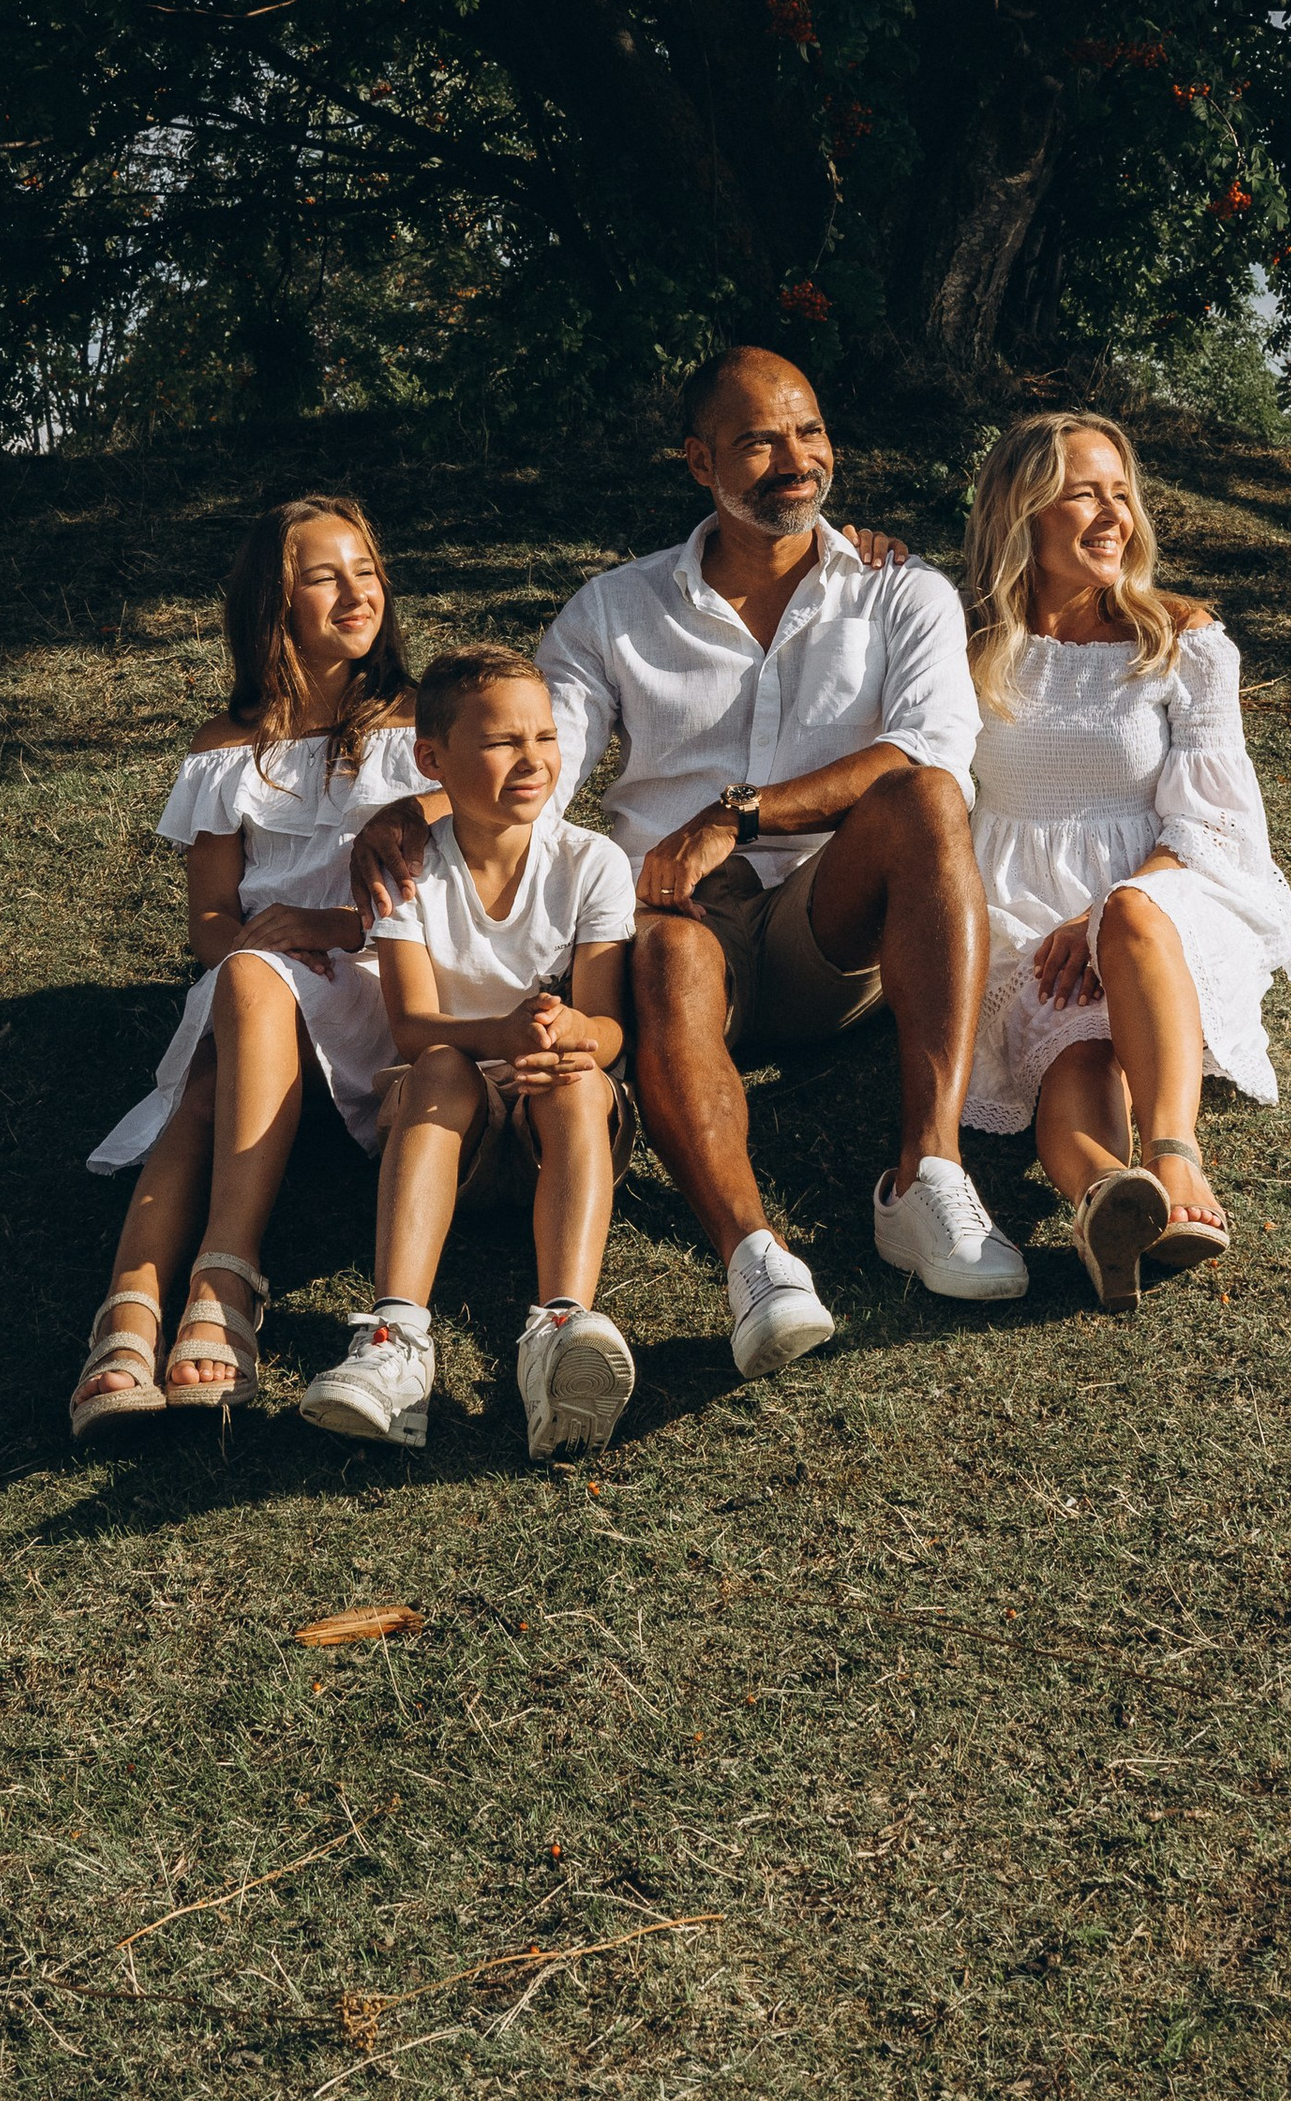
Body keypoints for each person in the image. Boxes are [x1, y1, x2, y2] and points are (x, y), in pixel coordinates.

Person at [355, 346, 1024, 1383]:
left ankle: (925, 1178)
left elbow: (928, 746)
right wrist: (415, 808)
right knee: (662, 941)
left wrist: (739, 815)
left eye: (808, 432)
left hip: (825, 923)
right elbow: (547, 752)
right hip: (670, 927)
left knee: (929, 799)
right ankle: (755, 1260)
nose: (793, 460)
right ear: (697, 461)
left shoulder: (900, 592)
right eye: (758, 440)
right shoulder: (614, 610)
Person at [69, 497, 428, 1431]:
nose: (358, 593)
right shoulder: (225, 749)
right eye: (325, 577)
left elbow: (456, 896)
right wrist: (261, 949)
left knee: (218, 1054)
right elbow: (212, 921)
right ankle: (167, 1306)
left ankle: (192, 1288)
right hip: (258, 978)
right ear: (274, 603)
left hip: (383, 974)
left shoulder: (423, 726)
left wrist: (327, 924)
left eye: (367, 570)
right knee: (231, 1010)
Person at [958, 410, 1291, 1312]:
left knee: (1131, 920)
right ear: (1022, 513)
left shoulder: (1183, 645)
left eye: (1122, 494)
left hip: (1167, 883)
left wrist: (1104, 906)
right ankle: (1105, 1195)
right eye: (1083, 495)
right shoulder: (969, 648)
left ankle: (1174, 1155)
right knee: (1076, 1058)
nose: (1114, 516)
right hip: (1021, 907)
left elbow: (1213, 824)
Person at [301, 648, 638, 1459]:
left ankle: (562, 1324)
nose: (533, 761)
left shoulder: (592, 862)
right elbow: (414, 1026)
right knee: (441, 1065)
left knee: (576, 1074)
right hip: (452, 1126)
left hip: (560, 1132)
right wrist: (503, 1033)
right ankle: (397, 1340)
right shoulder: (407, 872)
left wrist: (566, 1035)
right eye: (500, 743)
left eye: (546, 736)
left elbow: (613, 1026)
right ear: (432, 760)